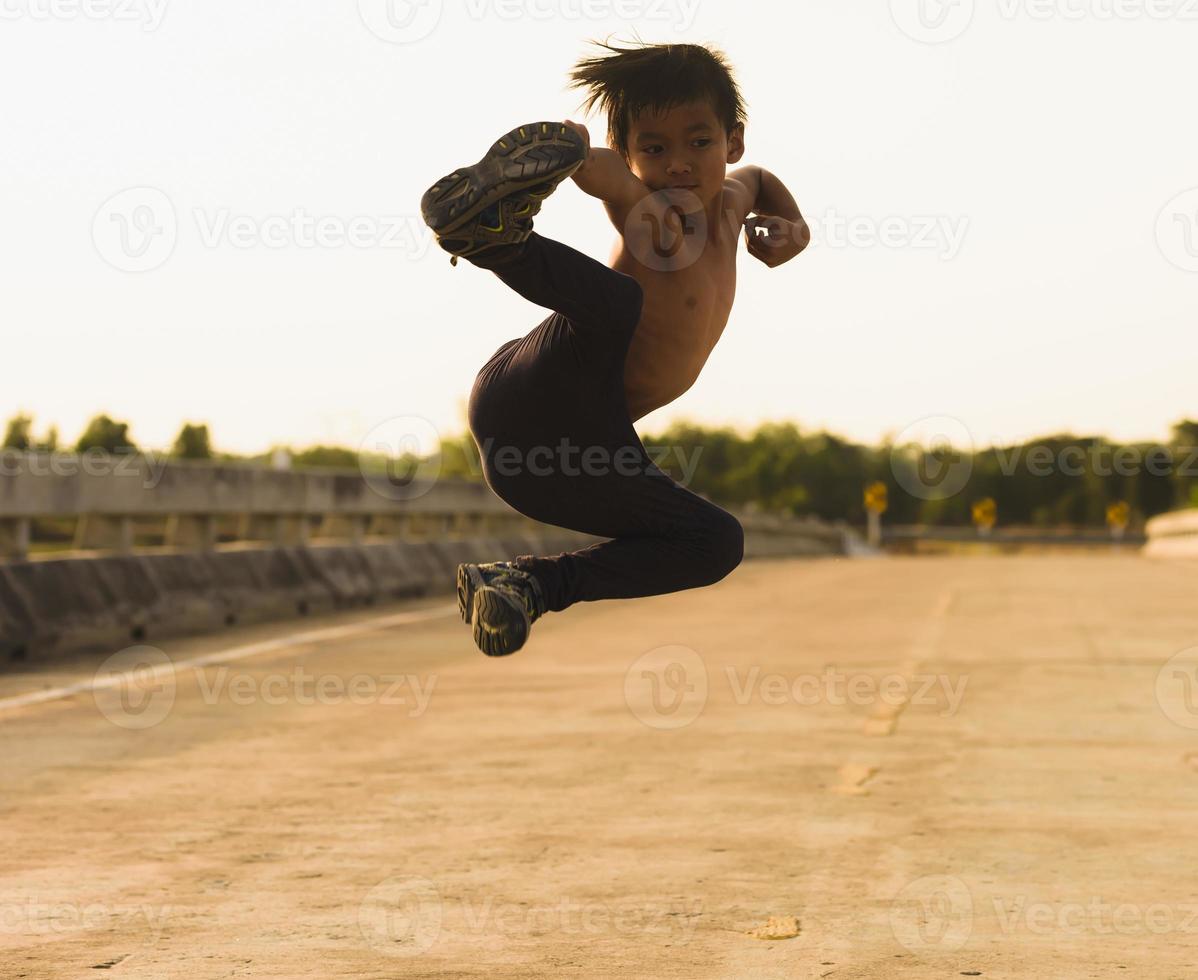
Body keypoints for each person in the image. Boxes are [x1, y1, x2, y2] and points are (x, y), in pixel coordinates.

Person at [419, 39, 810, 656]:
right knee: (620, 302)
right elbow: (610, 183)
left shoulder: (732, 204)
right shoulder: (650, 214)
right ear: (630, 156)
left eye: (698, 143)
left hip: (571, 454)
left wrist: (795, 226)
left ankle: (526, 584)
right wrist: (574, 158)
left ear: (732, 141)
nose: (678, 164)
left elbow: (760, 181)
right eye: (654, 149)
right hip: (531, 391)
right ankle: (497, 241)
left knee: (716, 542)